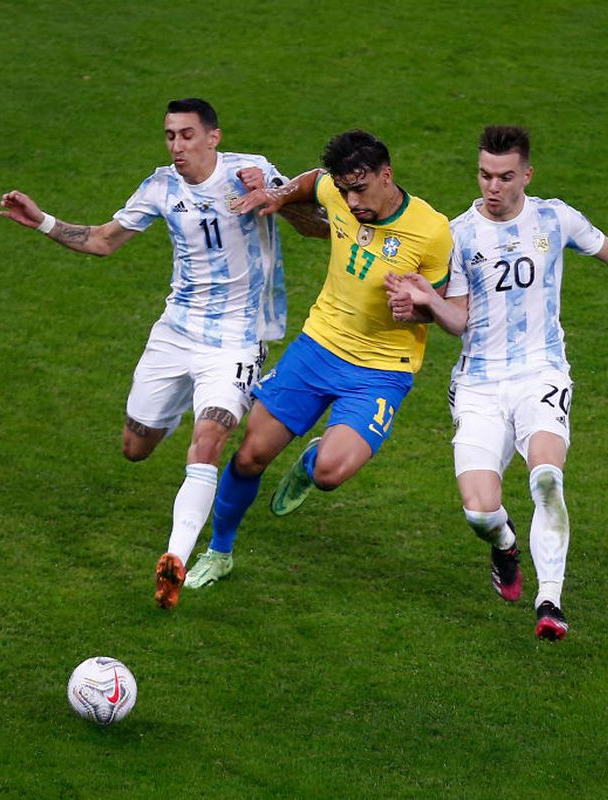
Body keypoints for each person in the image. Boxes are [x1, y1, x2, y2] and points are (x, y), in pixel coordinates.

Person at [0, 98, 324, 610]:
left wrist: (279, 198)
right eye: (170, 135)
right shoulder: (160, 187)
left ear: (213, 137)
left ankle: (174, 560)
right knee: (136, 447)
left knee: (211, 436)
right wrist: (43, 222)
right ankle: (172, 413)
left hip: (236, 341)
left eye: (188, 135)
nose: (177, 145)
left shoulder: (252, 171)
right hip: (175, 335)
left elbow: (319, 227)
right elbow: (104, 241)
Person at [385, 125, 608, 642]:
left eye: (505, 176)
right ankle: (504, 545)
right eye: (486, 175)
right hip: (479, 384)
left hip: (541, 372)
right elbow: (458, 321)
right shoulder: (458, 234)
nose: (493, 186)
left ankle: (549, 600)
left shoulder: (555, 218)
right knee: (478, 511)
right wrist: (426, 303)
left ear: (526, 175)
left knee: (547, 479)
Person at [182, 129, 453, 588]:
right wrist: (279, 193)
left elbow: (441, 299)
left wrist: (417, 308)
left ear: (386, 176)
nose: (349, 201)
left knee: (330, 473)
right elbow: (312, 182)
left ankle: (312, 462)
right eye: (344, 189)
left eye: (360, 189)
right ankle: (219, 552)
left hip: (381, 371)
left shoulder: (431, 230)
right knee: (250, 455)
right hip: (318, 347)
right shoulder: (338, 190)